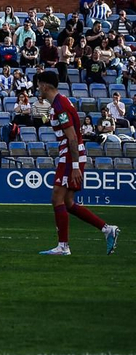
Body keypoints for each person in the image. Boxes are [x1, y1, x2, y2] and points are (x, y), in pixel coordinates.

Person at [35, 70, 119, 256]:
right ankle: (107, 229)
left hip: (70, 156)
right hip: (72, 154)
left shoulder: (60, 106)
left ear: (45, 85)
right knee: (68, 201)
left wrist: (74, 167)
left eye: (39, 84)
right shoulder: (60, 102)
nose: (37, 88)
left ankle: (63, 246)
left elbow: (72, 138)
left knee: (57, 198)